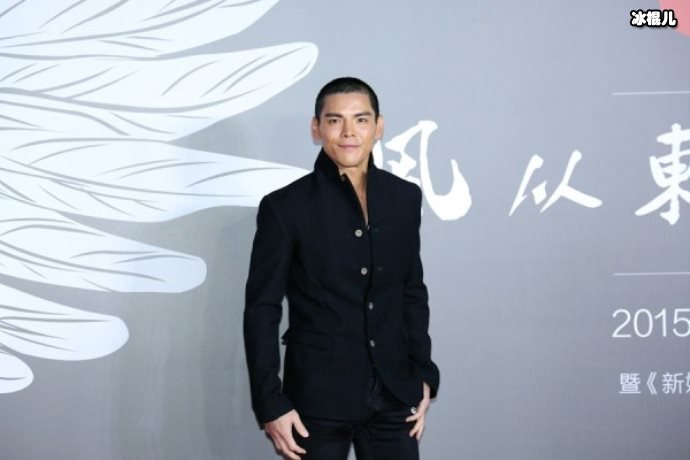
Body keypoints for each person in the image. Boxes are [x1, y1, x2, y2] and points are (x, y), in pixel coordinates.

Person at [244, 77, 440, 460]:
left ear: (378, 127)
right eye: (335, 120)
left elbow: (411, 291)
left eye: (361, 120)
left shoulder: (404, 197)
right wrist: (270, 401)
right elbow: (262, 309)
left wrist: (423, 374)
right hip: (316, 400)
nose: (349, 132)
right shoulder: (285, 207)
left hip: (394, 393)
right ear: (316, 128)